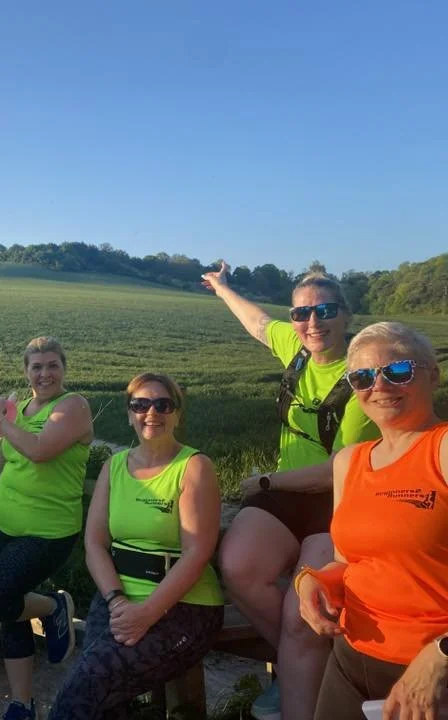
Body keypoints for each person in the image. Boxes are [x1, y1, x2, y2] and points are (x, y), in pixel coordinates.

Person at [202, 263, 379, 720]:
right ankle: (296, 666)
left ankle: (301, 679)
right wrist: (223, 288)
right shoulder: (296, 349)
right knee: (238, 567)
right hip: (286, 496)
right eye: (301, 314)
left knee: (303, 610)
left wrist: (264, 481)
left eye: (325, 311)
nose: (312, 323)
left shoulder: (361, 379)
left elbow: (335, 473)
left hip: (335, 501)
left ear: (347, 315)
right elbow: (258, 324)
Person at [48, 372, 224, 719]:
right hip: (118, 598)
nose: (151, 413)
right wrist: (116, 600)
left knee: (88, 684)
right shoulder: (114, 468)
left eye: (163, 404)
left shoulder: (193, 467)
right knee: (98, 688)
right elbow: (95, 543)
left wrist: (147, 613)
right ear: (129, 414)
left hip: (184, 606)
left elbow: (197, 552)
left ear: (177, 414)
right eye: (140, 405)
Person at [297, 322, 448, 720]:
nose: (379, 386)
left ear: (433, 374)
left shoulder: (443, 450)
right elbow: (349, 560)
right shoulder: (350, 462)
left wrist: (441, 653)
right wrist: (314, 580)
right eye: (362, 377)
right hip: (352, 660)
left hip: (433, 671)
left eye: (398, 371)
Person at [0, 336, 94, 720]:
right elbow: (0, 463)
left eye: (52, 365)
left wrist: (1, 421)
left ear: (64, 368)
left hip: (48, 532)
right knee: (11, 613)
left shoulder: (72, 406)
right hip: (4, 526)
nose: (45, 373)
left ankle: (55, 605)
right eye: (36, 367)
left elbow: (39, 450)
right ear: (26, 372)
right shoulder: (16, 409)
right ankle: (22, 704)